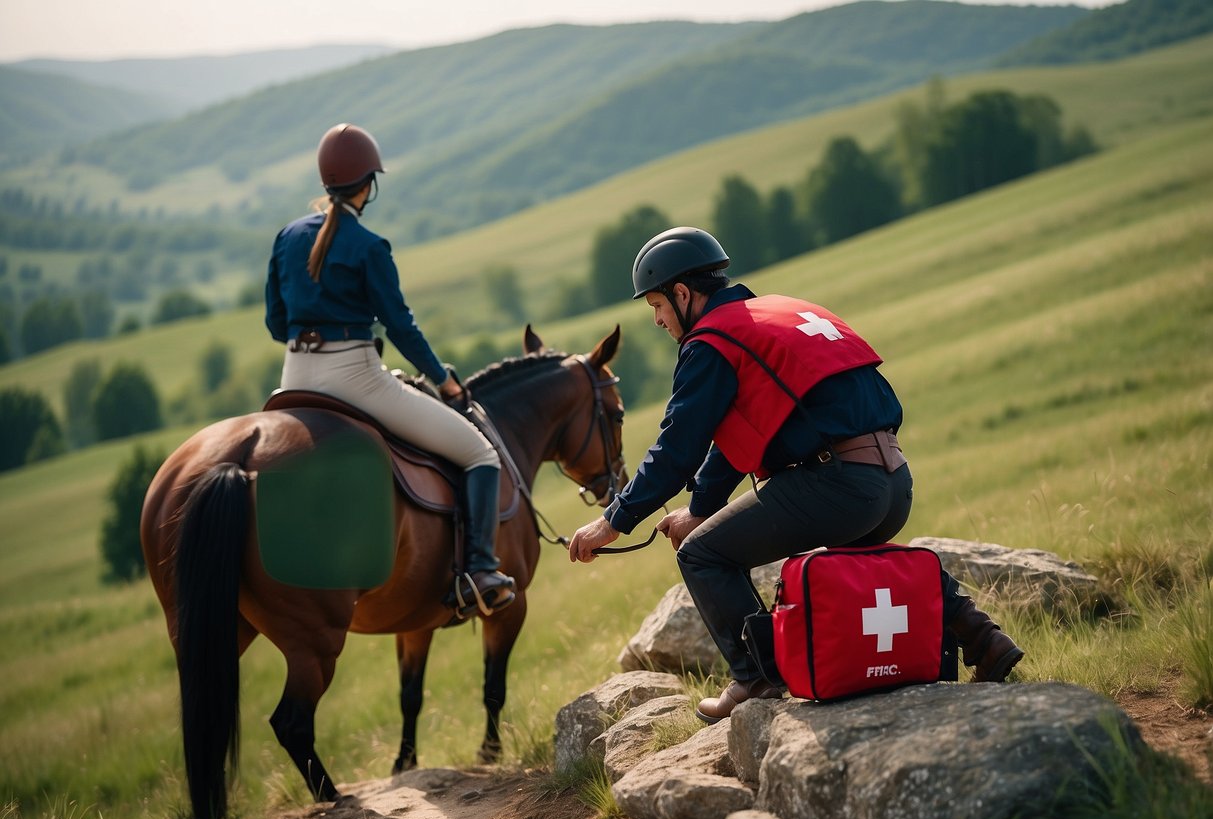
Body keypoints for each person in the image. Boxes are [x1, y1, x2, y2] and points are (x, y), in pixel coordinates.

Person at [568, 226, 1023, 721]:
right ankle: (985, 638)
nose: (657, 320)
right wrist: (701, 508)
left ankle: (757, 678)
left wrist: (612, 521)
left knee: (703, 556)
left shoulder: (711, 341)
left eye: (656, 305)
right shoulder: (780, 312)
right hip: (892, 480)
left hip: (839, 485)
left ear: (682, 294)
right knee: (855, 550)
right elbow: (744, 432)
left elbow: (679, 445)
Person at [265, 122, 515, 615]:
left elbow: (276, 322)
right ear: (368, 185)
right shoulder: (369, 246)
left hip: (292, 377)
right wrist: (442, 379)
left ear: (325, 180)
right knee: (479, 453)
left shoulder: (287, 237)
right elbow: (400, 327)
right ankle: (479, 570)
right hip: (354, 378)